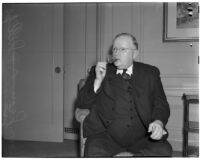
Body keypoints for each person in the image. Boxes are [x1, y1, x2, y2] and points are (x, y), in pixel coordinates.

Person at [76, 33, 172, 157]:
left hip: (142, 136)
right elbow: (82, 102)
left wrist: (159, 122)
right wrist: (97, 81)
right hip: (106, 136)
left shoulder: (150, 73)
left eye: (122, 49)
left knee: (163, 151)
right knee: (94, 152)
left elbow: (161, 104)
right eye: (115, 49)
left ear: (135, 53)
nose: (116, 53)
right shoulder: (99, 71)